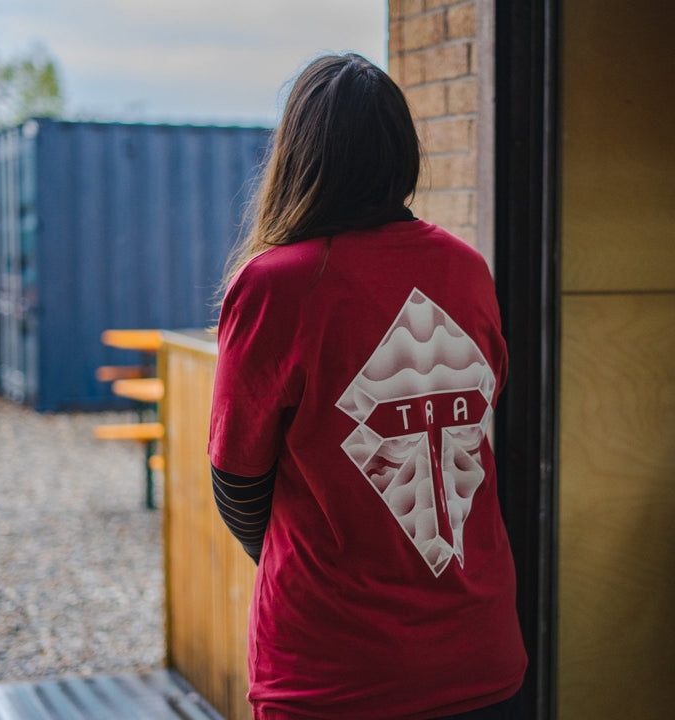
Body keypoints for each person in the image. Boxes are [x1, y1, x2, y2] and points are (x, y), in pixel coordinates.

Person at [208, 53, 527, 720]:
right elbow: (471, 416)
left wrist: (317, 552)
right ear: (402, 152)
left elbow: (237, 482)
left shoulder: (275, 286)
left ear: (297, 156)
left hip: (333, 675)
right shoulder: (467, 271)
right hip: (482, 659)